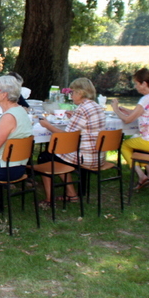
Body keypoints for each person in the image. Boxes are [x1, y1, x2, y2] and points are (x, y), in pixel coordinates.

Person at [38, 78, 106, 207]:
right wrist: (74, 116)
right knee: (57, 155)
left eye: (73, 92)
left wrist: (47, 125)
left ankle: (51, 198)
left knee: (45, 157)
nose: (71, 95)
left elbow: (67, 137)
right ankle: (71, 193)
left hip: (85, 156)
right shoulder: (95, 106)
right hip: (98, 154)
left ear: (80, 93)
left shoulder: (82, 109)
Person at [112, 68, 149, 191]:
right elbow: (142, 113)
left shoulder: (146, 99)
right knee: (134, 141)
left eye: (136, 83)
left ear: (144, 83)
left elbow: (128, 120)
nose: (135, 87)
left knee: (124, 145)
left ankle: (141, 175)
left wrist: (116, 109)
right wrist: (126, 110)